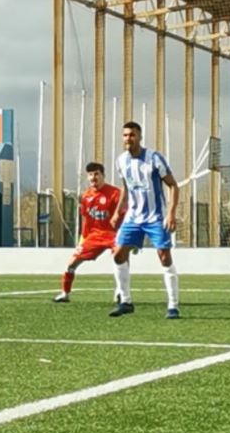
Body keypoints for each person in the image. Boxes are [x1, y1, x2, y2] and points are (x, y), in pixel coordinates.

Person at [109, 121, 181, 319]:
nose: (128, 139)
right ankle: (125, 301)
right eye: (125, 135)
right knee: (118, 255)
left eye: (132, 135)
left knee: (164, 256)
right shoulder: (121, 161)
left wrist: (171, 213)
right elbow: (125, 187)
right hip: (133, 217)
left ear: (140, 137)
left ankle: (173, 305)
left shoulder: (154, 158)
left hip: (155, 216)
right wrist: (117, 211)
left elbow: (173, 186)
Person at [52, 162, 125, 303]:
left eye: (96, 174)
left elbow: (124, 216)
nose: (93, 177)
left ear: (103, 175)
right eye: (90, 175)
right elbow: (87, 221)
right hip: (94, 235)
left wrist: (127, 237)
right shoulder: (86, 196)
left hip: (113, 234)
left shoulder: (115, 194)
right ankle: (65, 293)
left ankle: (120, 291)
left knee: (120, 258)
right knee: (72, 263)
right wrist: (82, 241)